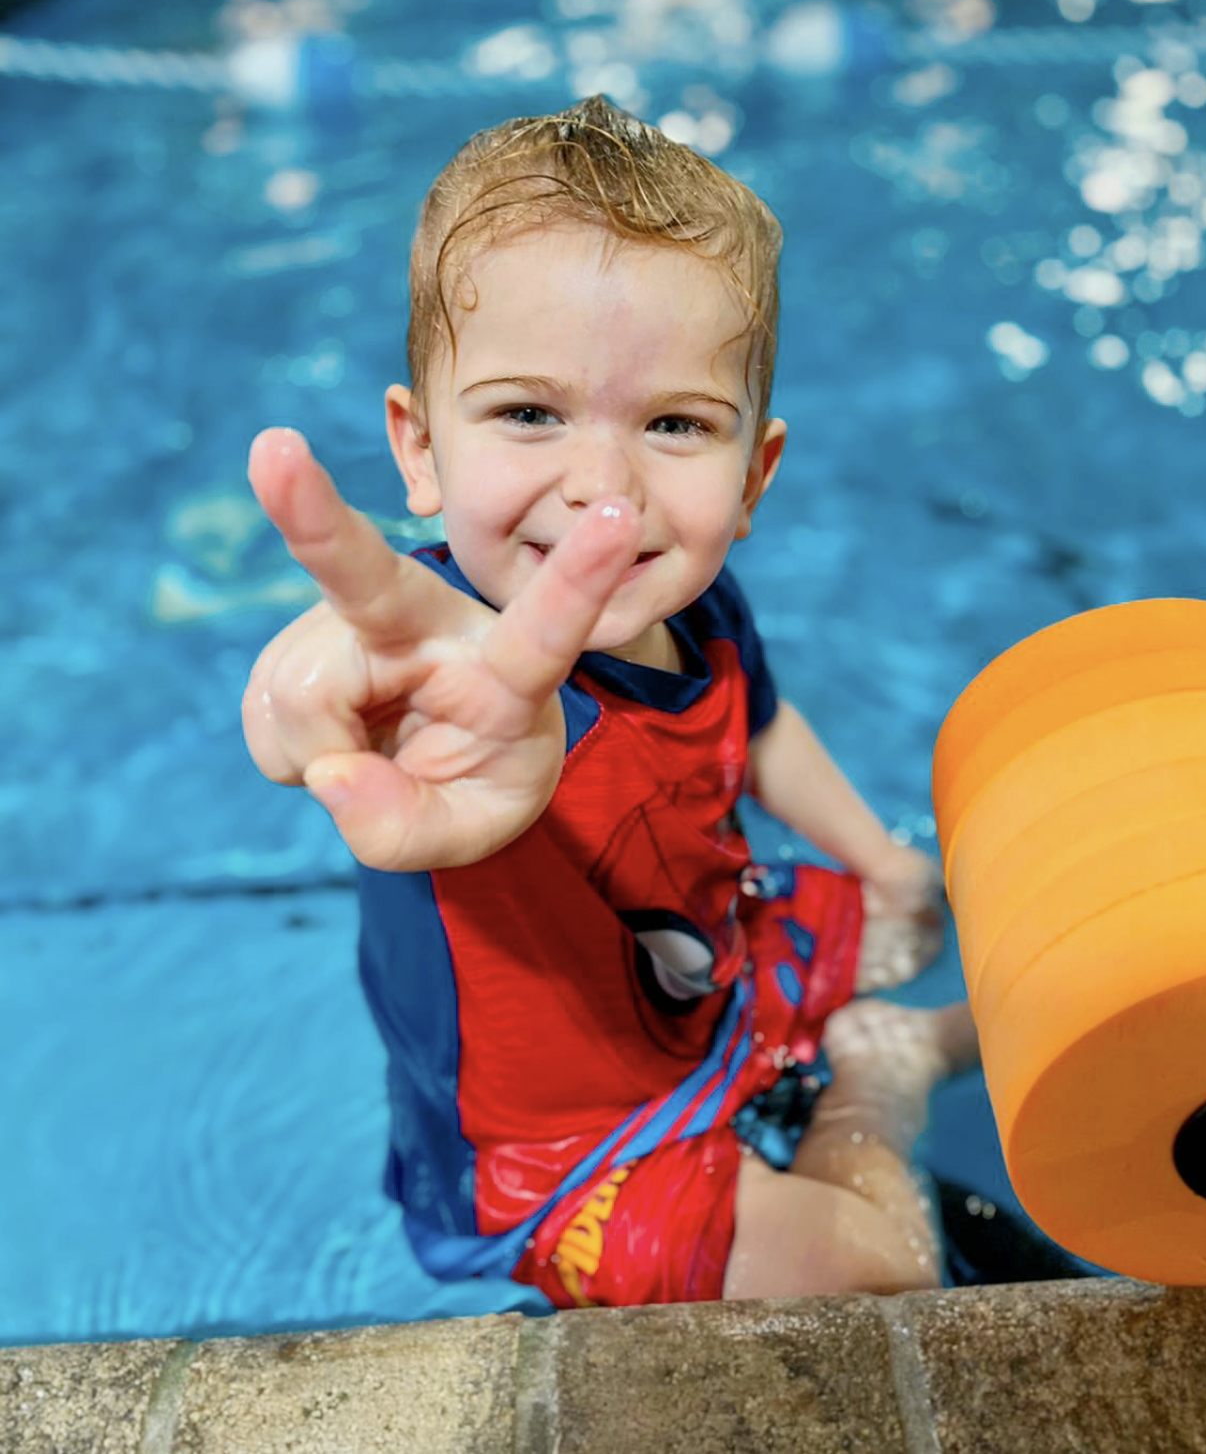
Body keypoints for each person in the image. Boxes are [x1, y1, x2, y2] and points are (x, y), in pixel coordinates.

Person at [243, 94, 978, 1310]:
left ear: (755, 473)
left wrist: (879, 859)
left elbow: (764, 727)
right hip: (561, 1146)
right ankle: (882, 1076)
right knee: (877, 1269)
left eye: (676, 424)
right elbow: (310, 704)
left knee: (917, 916)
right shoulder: (452, 680)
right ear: (419, 448)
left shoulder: (702, 605)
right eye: (530, 413)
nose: (604, 494)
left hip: (705, 960)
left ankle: (874, 1026)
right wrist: (308, 695)